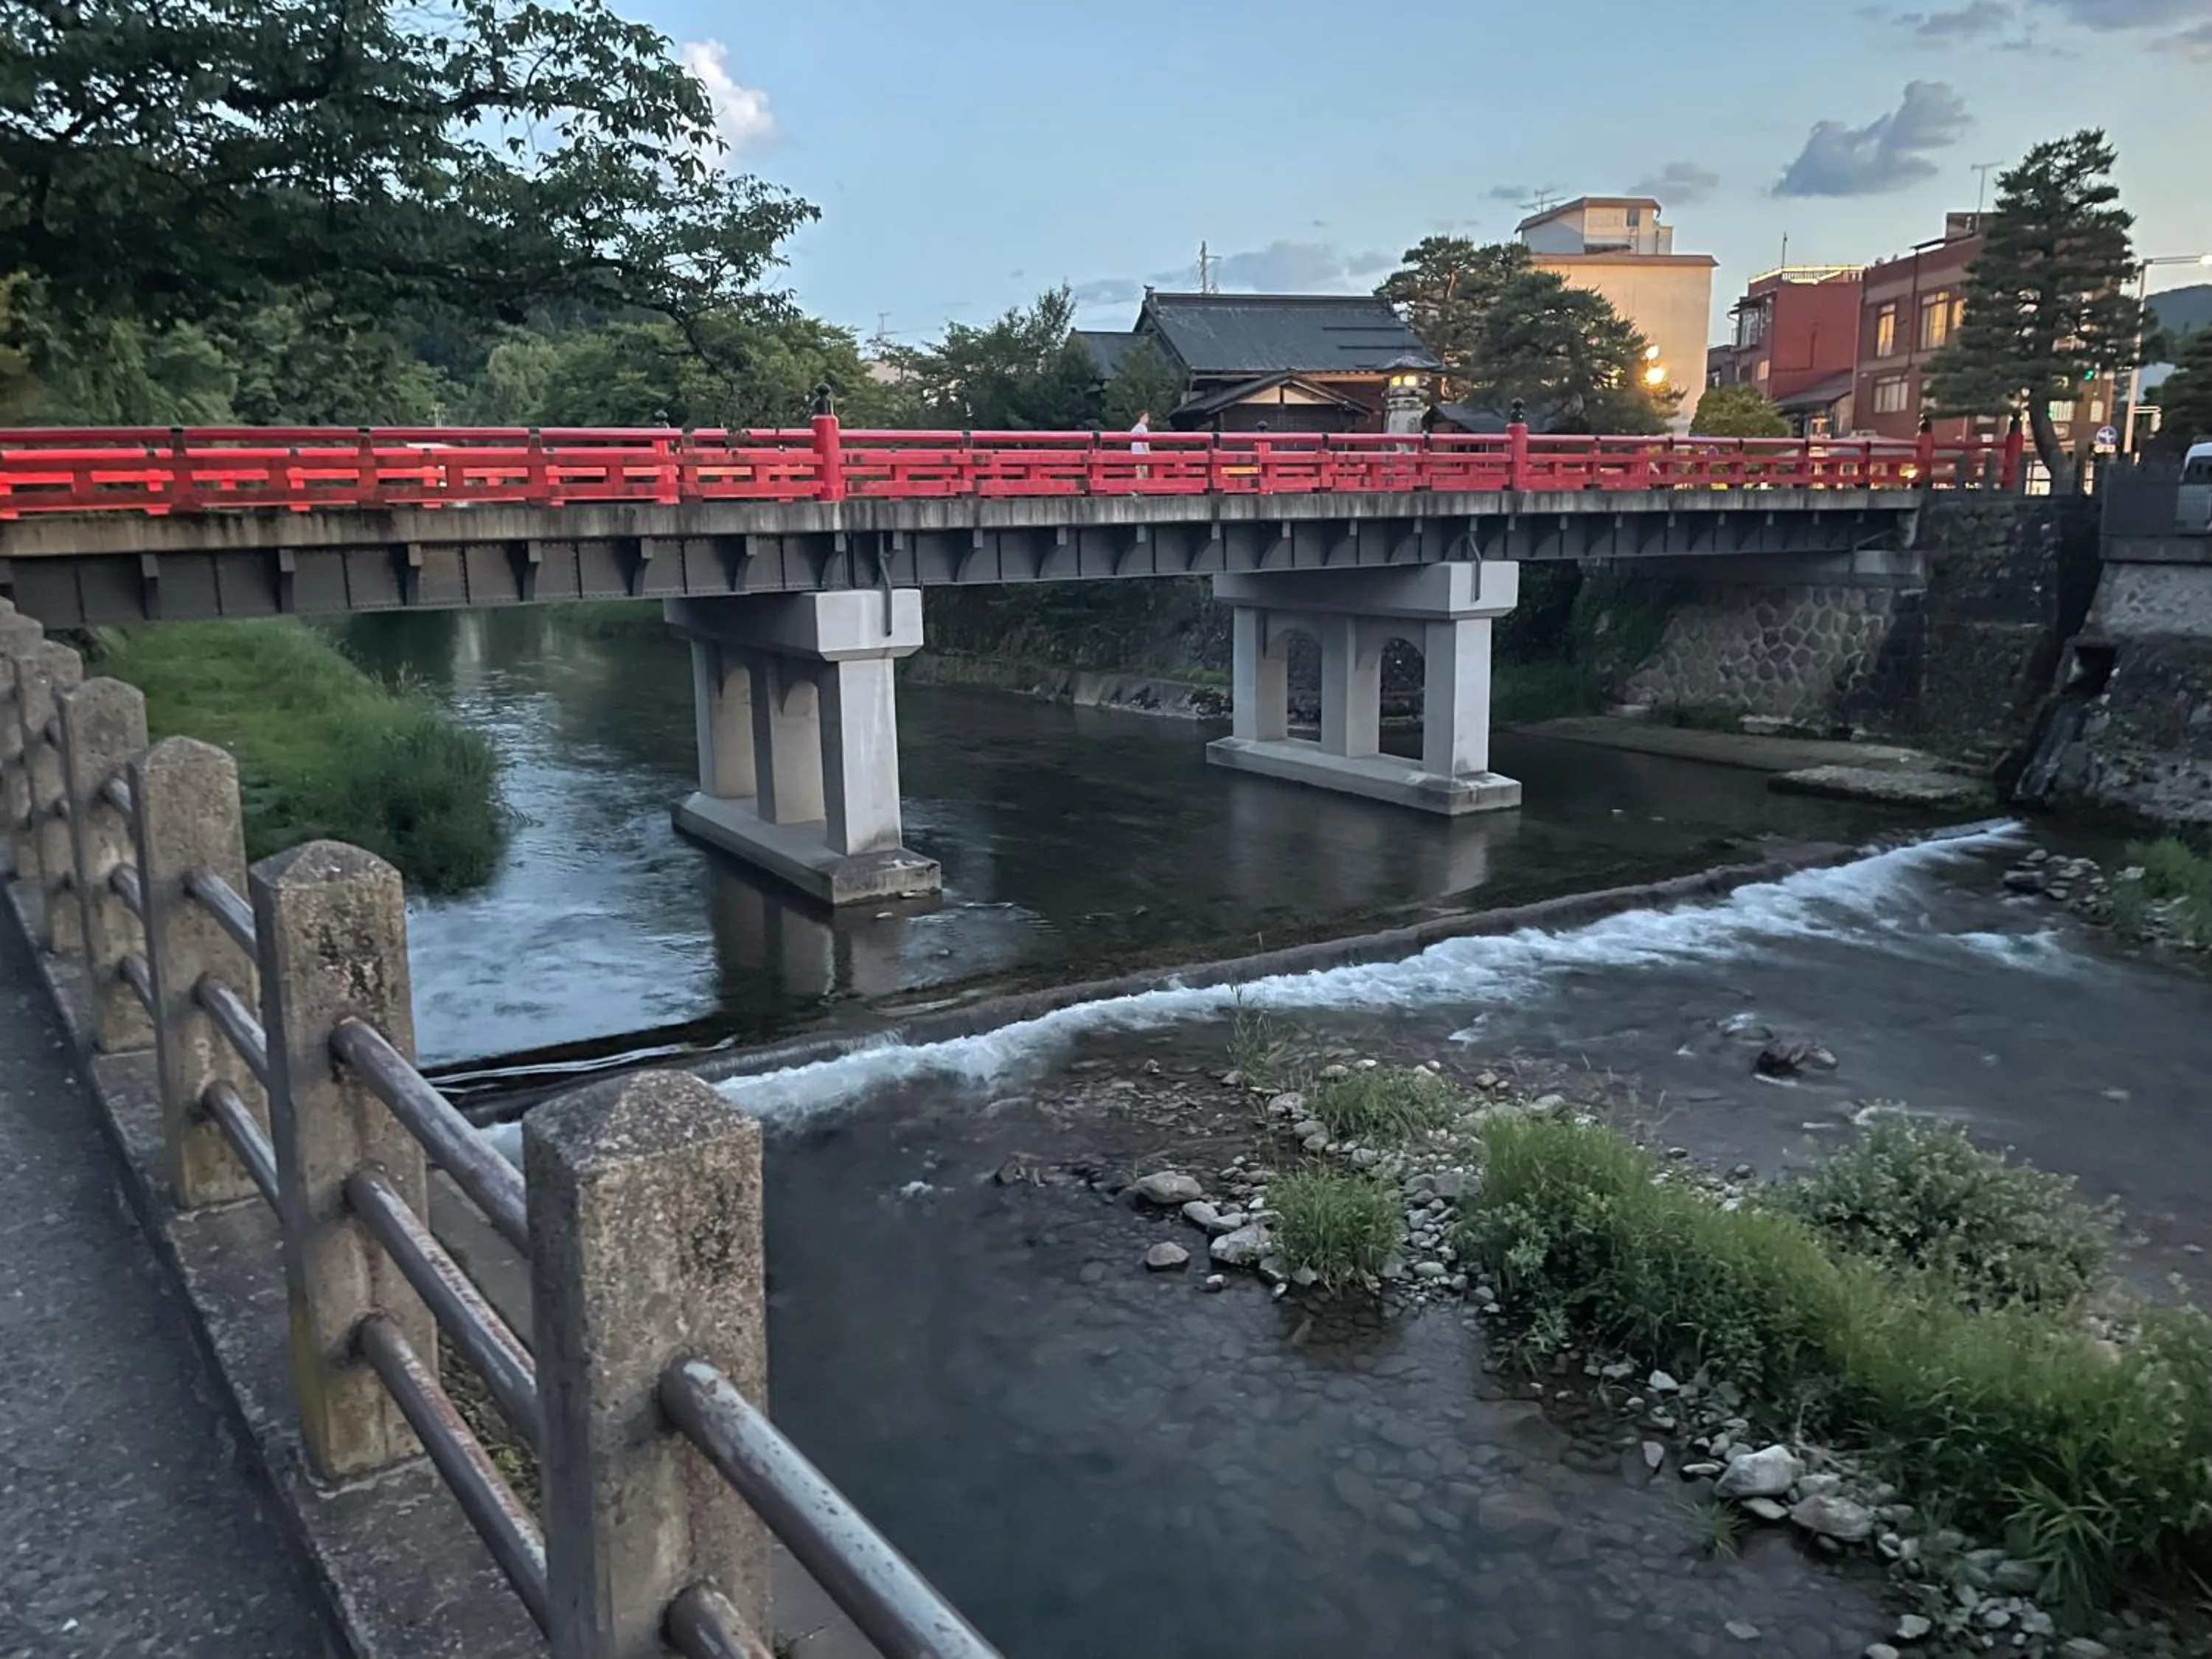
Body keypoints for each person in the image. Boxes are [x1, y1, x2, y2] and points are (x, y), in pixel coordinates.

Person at [1130, 410, 1151, 485]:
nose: (1148, 419)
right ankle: (1145, 486)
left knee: (1138, 470)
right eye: (1147, 417)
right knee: (1144, 470)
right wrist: (1148, 452)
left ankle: (1139, 486)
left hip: (1135, 452)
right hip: (1142, 452)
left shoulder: (1135, 428)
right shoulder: (1143, 428)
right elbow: (1144, 442)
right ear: (1142, 417)